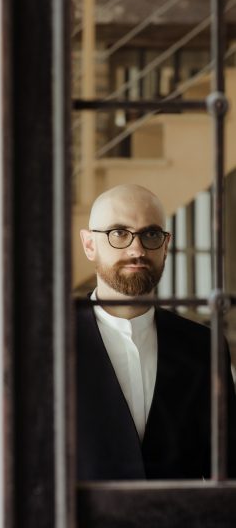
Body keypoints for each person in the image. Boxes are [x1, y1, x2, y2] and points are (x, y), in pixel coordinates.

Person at [76, 183, 236, 480]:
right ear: (89, 245)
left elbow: (228, 471)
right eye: (119, 233)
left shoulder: (204, 347)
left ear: (165, 244)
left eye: (150, 234)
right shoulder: (50, 344)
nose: (136, 249)